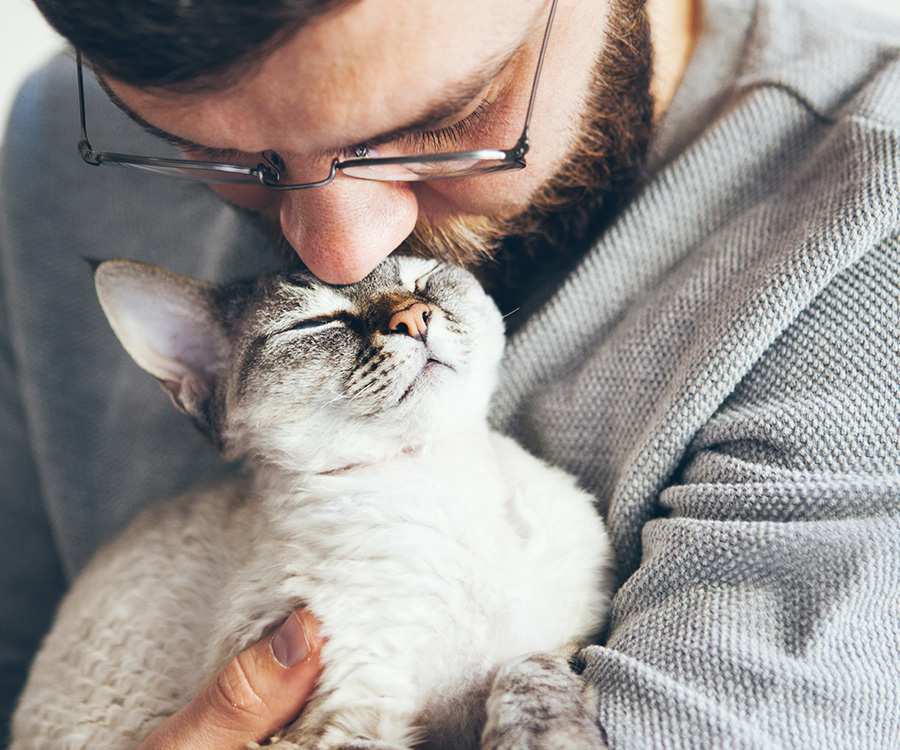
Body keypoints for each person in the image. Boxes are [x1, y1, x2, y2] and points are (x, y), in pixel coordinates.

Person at [2, 0, 899, 745]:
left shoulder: (868, 232)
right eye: (228, 160)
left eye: (448, 119)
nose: (341, 251)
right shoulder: (65, 141)